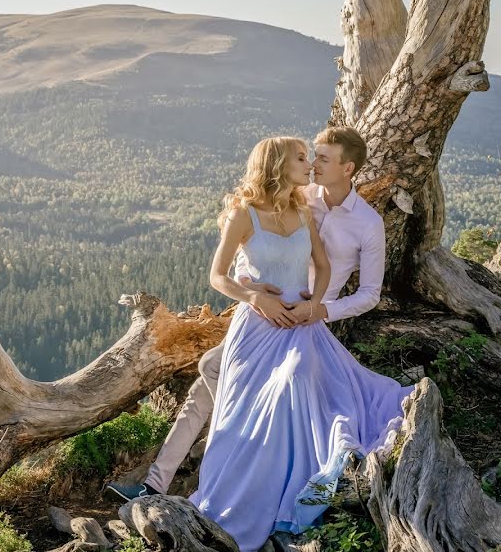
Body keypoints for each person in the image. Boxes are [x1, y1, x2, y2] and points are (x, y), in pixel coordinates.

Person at [114, 132, 413, 551]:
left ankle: (254, 466)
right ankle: (156, 483)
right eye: (310, 157)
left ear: (347, 168)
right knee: (209, 378)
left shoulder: (366, 223)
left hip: (309, 319)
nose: (313, 165)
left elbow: (368, 295)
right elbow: (244, 257)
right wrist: (251, 290)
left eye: (322, 159)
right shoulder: (298, 197)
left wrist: (319, 309)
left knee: (250, 381)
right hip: (261, 316)